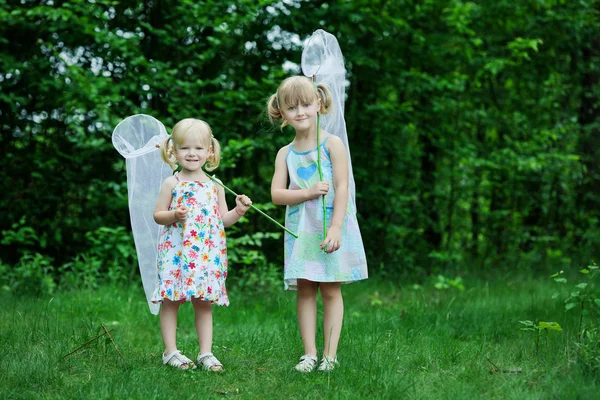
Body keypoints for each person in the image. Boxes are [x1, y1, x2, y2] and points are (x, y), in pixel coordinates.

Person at [268, 76, 368, 372]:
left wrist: (336, 227)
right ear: (281, 113)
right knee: (306, 289)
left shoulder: (332, 144)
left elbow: (342, 186)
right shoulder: (285, 153)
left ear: (319, 105)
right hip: (302, 230)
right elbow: (276, 195)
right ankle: (309, 353)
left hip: (329, 226)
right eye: (291, 107)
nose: (300, 112)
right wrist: (308, 192)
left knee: (331, 290)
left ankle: (330, 355)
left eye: (306, 104)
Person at [151, 118, 252, 371]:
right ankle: (170, 351)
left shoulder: (214, 185)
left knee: (203, 302)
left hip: (206, 254)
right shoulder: (172, 184)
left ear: (210, 151)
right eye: (185, 148)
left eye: (198, 148)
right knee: (171, 300)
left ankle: (205, 353)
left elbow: (223, 220)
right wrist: (174, 215)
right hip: (177, 253)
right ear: (173, 150)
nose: (192, 153)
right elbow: (158, 215)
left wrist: (238, 211)